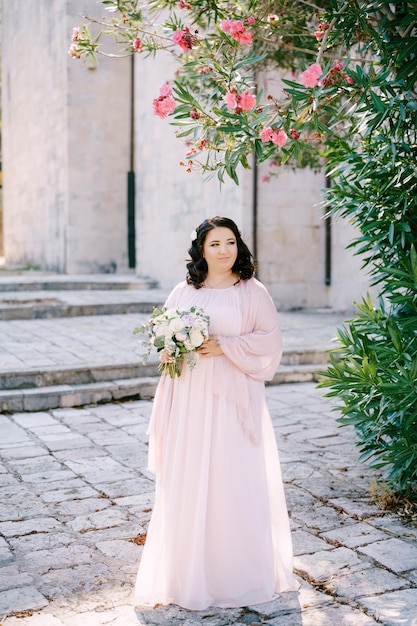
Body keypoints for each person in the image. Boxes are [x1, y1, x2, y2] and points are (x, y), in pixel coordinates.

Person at [134, 216, 299, 610]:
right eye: (215, 244)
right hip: (190, 398)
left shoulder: (252, 291)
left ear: (239, 245)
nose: (224, 250)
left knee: (230, 478)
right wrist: (173, 346)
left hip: (231, 400)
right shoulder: (182, 291)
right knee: (190, 478)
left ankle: (234, 574)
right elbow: (165, 341)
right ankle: (187, 573)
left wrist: (223, 345)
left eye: (230, 242)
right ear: (201, 251)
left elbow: (269, 340)